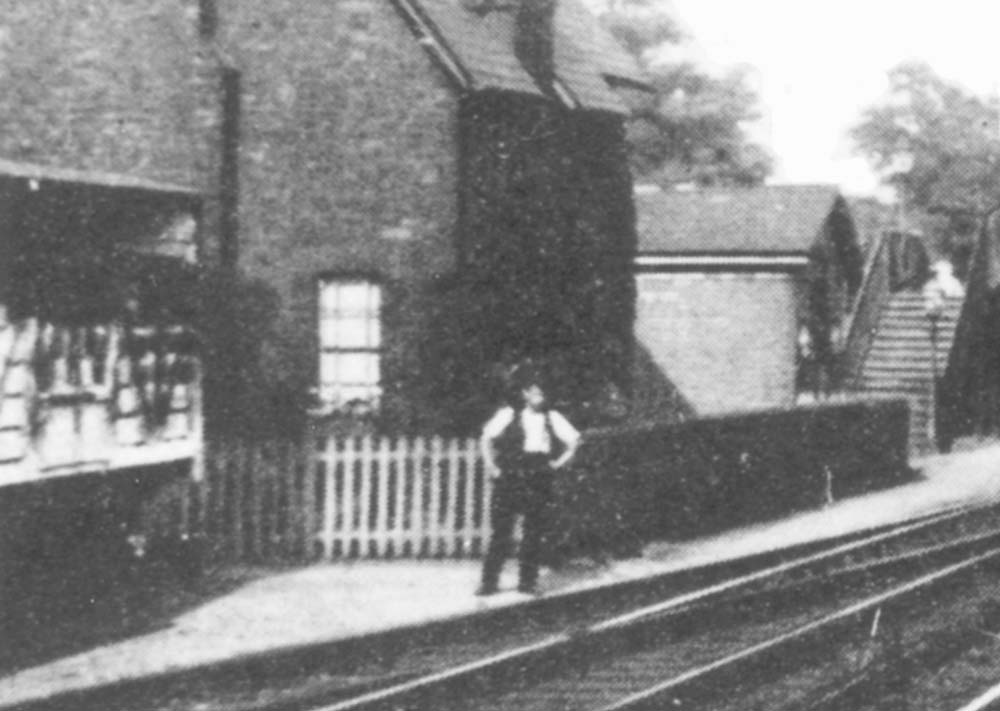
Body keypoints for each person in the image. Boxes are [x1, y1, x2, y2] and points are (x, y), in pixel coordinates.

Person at [476, 372, 580, 596]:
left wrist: (557, 464)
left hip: (538, 474)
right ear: (525, 394)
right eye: (535, 393)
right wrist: (492, 466)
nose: (540, 397)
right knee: (501, 531)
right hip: (511, 474)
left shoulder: (552, 417)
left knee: (533, 531)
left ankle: (528, 582)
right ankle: (488, 582)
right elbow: (485, 438)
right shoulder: (509, 415)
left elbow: (574, 441)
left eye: (543, 393)